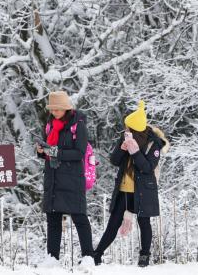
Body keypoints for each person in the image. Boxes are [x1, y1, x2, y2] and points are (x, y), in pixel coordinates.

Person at [92, 101, 169, 267]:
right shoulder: (126, 137)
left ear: (136, 128)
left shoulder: (152, 144)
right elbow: (114, 161)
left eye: (128, 127)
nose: (126, 130)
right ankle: (96, 254)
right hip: (124, 189)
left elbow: (147, 168)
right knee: (113, 223)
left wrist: (135, 151)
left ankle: (144, 256)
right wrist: (122, 148)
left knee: (144, 223)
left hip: (143, 191)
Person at [36, 90, 94, 265]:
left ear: (66, 109)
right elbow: (48, 151)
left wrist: (55, 152)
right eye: (52, 110)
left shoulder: (78, 125)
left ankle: (88, 257)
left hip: (72, 178)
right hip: (53, 176)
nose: (54, 113)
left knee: (79, 217)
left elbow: (79, 153)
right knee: (52, 219)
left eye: (57, 110)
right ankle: (52, 258)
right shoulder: (49, 125)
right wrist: (41, 151)